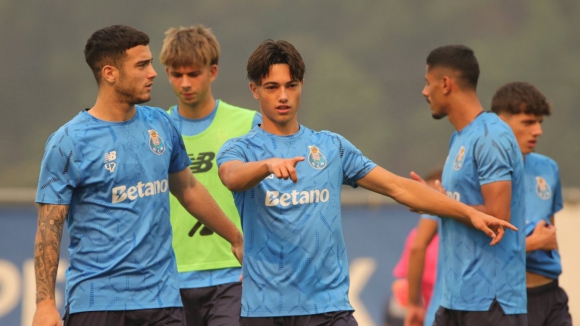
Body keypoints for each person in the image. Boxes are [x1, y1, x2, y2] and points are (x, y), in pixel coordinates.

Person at [215, 39, 517, 326]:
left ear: (301, 86)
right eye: (272, 87)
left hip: (328, 309)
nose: (283, 96)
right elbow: (231, 176)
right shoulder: (241, 149)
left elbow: (400, 187)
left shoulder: (331, 147)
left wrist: (468, 212)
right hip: (265, 311)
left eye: (290, 86)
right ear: (255, 90)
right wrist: (267, 165)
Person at [32, 25, 243, 326]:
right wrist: (44, 303)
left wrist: (237, 239)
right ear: (109, 73)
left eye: (151, 63)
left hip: (162, 302)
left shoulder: (161, 124)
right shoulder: (68, 142)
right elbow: (48, 228)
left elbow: (188, 189)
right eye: (142, 65)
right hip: (96, 301)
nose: (153, 73)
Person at [159, 25, 261, 326]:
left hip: (233, 274)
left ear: (212, 71)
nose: (185, 83)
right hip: (169, 278)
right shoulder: (156, 129)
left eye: (194, 74)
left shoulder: (247, 123)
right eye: (176, 75)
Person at [418, 45, 527, 325]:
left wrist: (438, 203)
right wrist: (436, 198)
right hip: (455, 299)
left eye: (427, 83)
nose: (424, 92)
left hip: (492, 302)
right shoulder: (460, 138)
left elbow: (498, 216)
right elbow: (456, 204)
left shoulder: (491, 137)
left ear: (445, 84)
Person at [491, 81, 571, 326]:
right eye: (528, 123)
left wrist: (545, 242)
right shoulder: (485, 172)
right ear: (500, 123)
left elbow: (551, 232)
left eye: (539, 122)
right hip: (506, 299)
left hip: (551, 294)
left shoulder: (548, 168)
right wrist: (533, 243)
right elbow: (480, 248)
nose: (538, 131)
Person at [385, 169, 442, 326]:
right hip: (427, 311)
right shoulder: (416, 235)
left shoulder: (453, 236)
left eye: (434, 194)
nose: (427, 200)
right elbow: (405, 277)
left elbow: (418, 247)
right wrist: (413, 303)